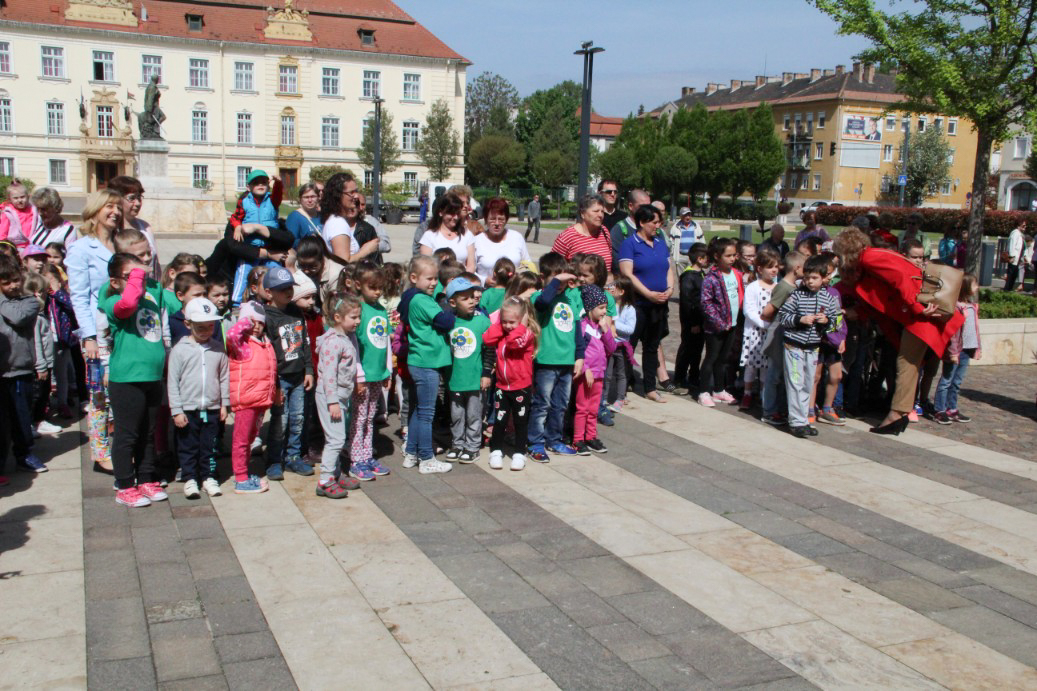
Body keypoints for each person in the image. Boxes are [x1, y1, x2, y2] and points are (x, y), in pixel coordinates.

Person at [833, 227, 962, 435]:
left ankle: (897, 414)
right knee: (908, 365)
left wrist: (916, 306)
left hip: (918, 316)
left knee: (906, 365)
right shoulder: (869, 261)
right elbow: (880, 297)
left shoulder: (869, 258)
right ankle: (900, 413)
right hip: (916, 316)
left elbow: (900, 278)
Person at [101, 252, 172, 506]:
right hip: (127, 378)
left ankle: (145, 478)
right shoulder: (113, 301)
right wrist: (139, 275)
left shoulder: (151, 295)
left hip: (152, 375)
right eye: (131, 276)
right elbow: (128, 304)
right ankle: (124, 484)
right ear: (115, 281)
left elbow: (175, 305)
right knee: (127, 434)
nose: (138, 281)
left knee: (148, 433)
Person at [67, 189, 123, 473]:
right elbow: (78, 296)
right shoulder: (81, 248)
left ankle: (121, 446)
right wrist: (88, 337)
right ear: (96, 210)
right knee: (99, 395)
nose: (115, 212)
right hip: (97, 334)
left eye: (118, 207)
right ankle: (100, 453)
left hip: (122, 329)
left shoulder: (120, 243)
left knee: (119, 390)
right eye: (109, 206)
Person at [167, 297, 228, 499]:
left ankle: (209, 476)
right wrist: (177, 410)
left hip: (211, 407)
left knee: (210, 445)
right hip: (188, 409)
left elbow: (224, 377)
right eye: (200, 327)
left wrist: (224, 404)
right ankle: (190, 477)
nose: (206, 331)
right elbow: (173, 382)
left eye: (210, 326)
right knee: (188, 446)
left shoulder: (218, 348)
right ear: (188, 324)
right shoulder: (179, 350)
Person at [399, 255, 455, 473]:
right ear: (414, 278)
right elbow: (445, 321)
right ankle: (426, 457)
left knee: (419, 410)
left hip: (420, 361)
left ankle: (411, 453)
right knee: (426, 414)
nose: (433, 283)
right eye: (429, 279)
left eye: (435, 278)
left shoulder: (413, 297)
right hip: (426, 363)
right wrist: (450, 307)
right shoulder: (422, 300)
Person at [527, 253, 584, 462]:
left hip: (566, 361)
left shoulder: (570, 299)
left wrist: (580, 357)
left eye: (563, 279)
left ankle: (554, 439)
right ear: (543, 278)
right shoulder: (538, 297)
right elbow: (543, 302)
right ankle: (535, 442)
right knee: (542, 404)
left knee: (560, 405)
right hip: (546, 361)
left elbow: (577, 330)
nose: (560, 284)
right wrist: (556, 282)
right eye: (556, 279)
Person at [261, 267, 314, 480]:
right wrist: (274, 384)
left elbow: (305, 343)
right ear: (268, 292)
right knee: (280, 421)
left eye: (290, 287)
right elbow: (267, 354)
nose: (288, 292)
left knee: (297, 418)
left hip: (298, 376)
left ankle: (293, 456)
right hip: (280, 379)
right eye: (282, 289)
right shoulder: (266, 317)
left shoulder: (295, 311)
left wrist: (308, 369)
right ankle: (274, 459)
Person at [778, 255, 839, 438]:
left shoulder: (828, 298)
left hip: (813, 347)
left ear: (824, 278)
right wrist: (800, 319)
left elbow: (836, 322)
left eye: (814, 278)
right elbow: (783, 317)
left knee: (807, 383)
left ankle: (803, 419)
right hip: (794, 346)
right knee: (795, 382)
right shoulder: (796, 295)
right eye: (807, 278)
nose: (810, 282)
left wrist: (826, 322)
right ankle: (796, 421)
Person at [618, 205, 674, 403]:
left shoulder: (660, 243)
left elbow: (668, 268)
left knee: (652, 346)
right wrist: (648, 294)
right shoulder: (630, 244)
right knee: (629, 346)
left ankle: (650, 387)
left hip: (658, 305)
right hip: (638, 304)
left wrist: (670, 289)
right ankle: (621, 389)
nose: (658, 226)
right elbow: (627, 274)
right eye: (654, 222)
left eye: (660, 222)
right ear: (642, 222)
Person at [314, 292, 363, 499]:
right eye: (353, 317)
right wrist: (333, 401)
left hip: (341, 396)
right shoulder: (333, 342)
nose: (358, 321)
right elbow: (329, 375)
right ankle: (325, 480)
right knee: (336, 439)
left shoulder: (347, 338)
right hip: (330, 397)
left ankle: (335, 473)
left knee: (335, 437)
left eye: (359, 316)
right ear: (337, 317)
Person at [0, 255, 45, 473]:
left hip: (20, 370)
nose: (13, 285)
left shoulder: (29, 302)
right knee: (3, 422)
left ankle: (24, 454)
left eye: (16, 280)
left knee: (21, 417)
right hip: (1, 372)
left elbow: (16, 317)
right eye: (6, 282)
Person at [483, 296, 537, 471]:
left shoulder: (526, 334)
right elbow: (487, 339)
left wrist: (521, 326)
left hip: (521, 387)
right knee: (500, 421)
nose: (508, 325)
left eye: (512, 322)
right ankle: (496, 451)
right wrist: (500, 325)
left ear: (522, 319)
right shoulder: (502, 332)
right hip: (502, 386)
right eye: (504, 321)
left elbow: (514, 344)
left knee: (520, 422)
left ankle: (519, 453)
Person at [225, 302, 274, 494]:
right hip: (246, 402)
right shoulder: (243, 345)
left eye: (260, 323)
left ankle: (244, 473)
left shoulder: (265, 343)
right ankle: (241, 478)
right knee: (242, 440)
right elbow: (231, 335)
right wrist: (245, 321)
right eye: (252, 322)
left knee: (251, 439)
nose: (256, 326)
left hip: (260, 402)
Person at [349, 263, 392, 480]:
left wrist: (387, 371)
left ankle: (366, 456)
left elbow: (385, 342)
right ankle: (356, 460)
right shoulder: (357, 310)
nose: (377, 292)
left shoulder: (381, 310)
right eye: (372, 287)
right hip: (362, 375)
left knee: (370, 416)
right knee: (359, 417)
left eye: (380, 288)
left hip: (377, 374)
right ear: (359, 285)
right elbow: (353, 344)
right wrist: (358, 375)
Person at [444, 276, 491, 464]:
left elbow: (490, 349)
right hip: (455, 379)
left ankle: (472, 447)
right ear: (453, 303)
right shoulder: (449, 323)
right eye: (465, 298)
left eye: (472, 296)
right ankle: (457, 444)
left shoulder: (482, 321)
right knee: (456, 416)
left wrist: (486, 373)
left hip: (475, 379)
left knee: (474, 416)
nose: (471, 301)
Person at [760, 251, 806, 425]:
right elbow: (767, 311)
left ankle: (778, 408)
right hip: (778, 335)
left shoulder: (792, 286)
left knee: (781, 374)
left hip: (785, 335)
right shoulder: (784, 287)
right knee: (774, 375)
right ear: (797, 268)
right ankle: (769, 411)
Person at [698, 238, 743, 407]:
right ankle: (703, 392)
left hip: (732, 324)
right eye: (728, 255)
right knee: (711, 358)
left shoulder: (736, 274)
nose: (732, 259)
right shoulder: (711, 278)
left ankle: (718, 390)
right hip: (715, 328)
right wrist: (718, 322)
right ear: (717, 256)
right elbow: (706, 303)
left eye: (734, 255)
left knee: (723, 359)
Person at [573, 284, 616, 454]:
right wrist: (586, 369)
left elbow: (611, 348)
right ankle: (578, 439)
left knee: (593, 408)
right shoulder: (583, 327)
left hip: (599, 374)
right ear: (590, 308)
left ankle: (591, 436)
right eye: (601, 308)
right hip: (586, 375)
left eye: (605, 307)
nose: (605, 312)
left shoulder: (600, 328)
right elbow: (578, 350)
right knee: (582, 408)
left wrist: (606, 331)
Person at [933, 274, 981, 424]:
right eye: (974, 285)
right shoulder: (956, 307)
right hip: (955, 351)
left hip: (967, 349)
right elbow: (953, 333)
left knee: (957, 382)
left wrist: (977, 348)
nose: (977, 287)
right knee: (946, 380)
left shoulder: (972, 306)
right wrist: (953, 353)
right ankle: (940, 410)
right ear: (965, 287)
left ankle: (951, 408)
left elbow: (975, 330)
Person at [739, 250, 780, 410]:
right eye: (770, 267)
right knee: (751, 365)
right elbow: (749, 310)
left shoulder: (777, 287)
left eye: (776, 266)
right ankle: (747, 393)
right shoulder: (753, 287)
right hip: (755, 332)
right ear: (760, 269)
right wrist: (764, 324)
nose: (774, 270)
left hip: (771, 334)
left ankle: (764, 393)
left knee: (766, 366)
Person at [320, 173, 379, 266]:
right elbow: (342, 262)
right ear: (338, 195)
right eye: (351, 193)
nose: (356, 196)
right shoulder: (338, 224)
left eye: (356, 191)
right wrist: (366, 250)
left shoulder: (338, 221)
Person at [108, 176, 161, 279]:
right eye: (131, 198)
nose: (138, 203)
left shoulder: (145, 227)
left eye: (139, 197)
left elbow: (156, 265)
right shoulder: (112, 230)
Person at [674, 245, 708, 393]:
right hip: (691, 321)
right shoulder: (688, 276)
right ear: (700, 259)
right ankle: (679, 378)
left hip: (700, 319)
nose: (708, 260)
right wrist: (693, 323)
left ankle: (694, 376)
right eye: (706, 258)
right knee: (687, 349)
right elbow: (687, 302)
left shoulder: (701, 274)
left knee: (697, 349)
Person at [473, 198, 530, 284]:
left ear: (506, 219)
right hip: (487, 290)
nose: (496, 223)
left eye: (501, 219)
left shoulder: (517, 237)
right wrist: (484, 280)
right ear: (485, 219)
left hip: (514, 289)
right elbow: (470, 271)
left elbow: (528, 264)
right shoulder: (476, 241)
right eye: (492, 219)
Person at [551, 194, 613, 272]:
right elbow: (552, 266)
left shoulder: (604, 232)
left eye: (602, 211)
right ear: (583, 214)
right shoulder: (568, 236)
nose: (600, 215)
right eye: (596, 211)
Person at [418, 193, 476, 272]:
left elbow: (471, 266)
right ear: (441, 212)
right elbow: (426, 266)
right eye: (451, 213)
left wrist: (461, 279)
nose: (455, 217)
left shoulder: (467, 234)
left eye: (457, 213)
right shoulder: (429, 236)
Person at [604, 275, 636, 411]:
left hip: (621, 346)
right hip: (608, 345)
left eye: (614, 287)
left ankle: (620, 399)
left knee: (621, 374)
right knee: (607, 374)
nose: (611, 289)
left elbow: (630, 329)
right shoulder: (608, 305)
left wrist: (613, 323)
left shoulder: (629, 309)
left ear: (622, 292)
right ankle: (603, 398)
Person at [609, 189, 652, 268]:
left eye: (649, 206)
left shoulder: (655, 229)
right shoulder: (619, 231)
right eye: (642, 207)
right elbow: (618, 264)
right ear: (630, 206)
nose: (647, 210)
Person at [0, 180, 38, 248]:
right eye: (16, 198)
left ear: (28, 196)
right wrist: (4, 247)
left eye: (22, 197)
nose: (20, 200)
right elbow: (2, 234)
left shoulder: (34, 210)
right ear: (9, 199)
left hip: (32, 245)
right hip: (14, 246)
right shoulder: (8, 214)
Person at [285, 181, 323, 247]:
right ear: (300, 199)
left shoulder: (322, 216)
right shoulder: (295, 217)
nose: (310, 200)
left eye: (313, 196)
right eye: (306, 197)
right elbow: (290, 242)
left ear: (318, 197)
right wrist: (309, 241)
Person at [357, 192, 390, 264]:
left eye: (363, 204)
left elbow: (386, 245)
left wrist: (370, 247)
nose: (360, 208)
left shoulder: (372, 221)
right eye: (357, 204)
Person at [1004, 220, 1029, 292]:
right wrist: (1012, 257)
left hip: (1018, 259)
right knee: (1011, 275)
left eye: (1025, 225)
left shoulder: (1020, 234)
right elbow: (1012, 245)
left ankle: (1009, 289)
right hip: (1014, 259)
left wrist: (1024, 256)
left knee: (1014, 275)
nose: (1025, 227)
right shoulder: (1015, 233)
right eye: (1023, 225)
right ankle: (1007, 290)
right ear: (1018, 226)